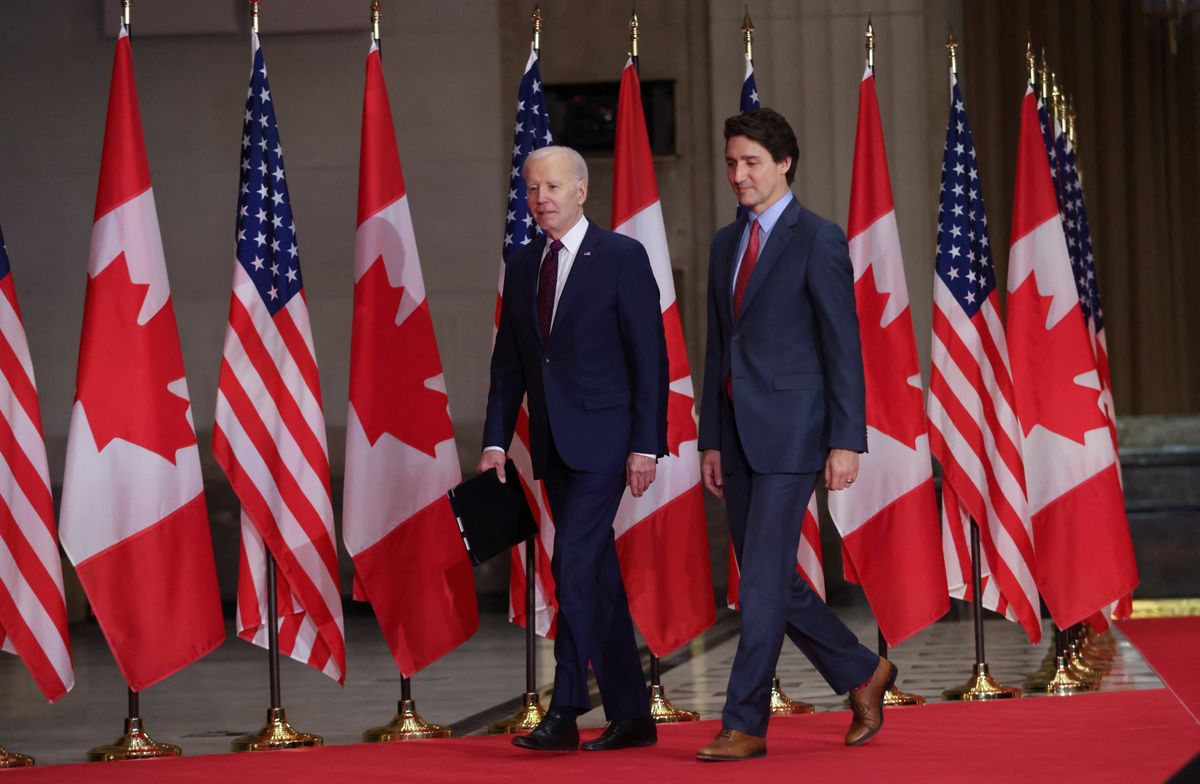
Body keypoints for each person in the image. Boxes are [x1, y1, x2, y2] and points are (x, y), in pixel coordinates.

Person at [695, 108, 896, 762]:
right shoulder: (726, 245)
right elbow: (716, 351)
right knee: (772, 579)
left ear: (784, 163)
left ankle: (744, 722)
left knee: (757, 585)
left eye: (751, 162)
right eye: (732, 163)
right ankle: (863, 672)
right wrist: (711, 439)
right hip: (739, 437)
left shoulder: (818, 238)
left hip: (794, 434)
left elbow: (844, 347)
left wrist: (847, 439)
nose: (738, 175)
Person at [480, 145, 667, 752]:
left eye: (553, 187)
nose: (541, 199)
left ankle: (565, 708)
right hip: (552, 446)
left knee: (572, 563)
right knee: (597, 574)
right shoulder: (521, 259)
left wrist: (646, 444)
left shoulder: (621, 256)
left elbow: (650, 358)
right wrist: (493, 442)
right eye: (532, 189)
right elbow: (509, 365)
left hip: (609, 441)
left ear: (582, 191)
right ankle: (634, 716)